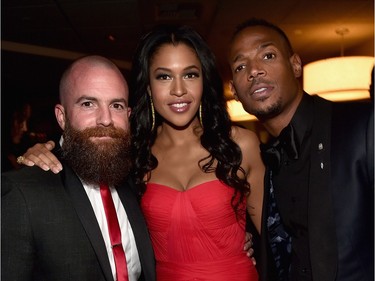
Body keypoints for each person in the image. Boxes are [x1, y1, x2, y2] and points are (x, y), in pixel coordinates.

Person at [16, 25, 264, 280]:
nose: (179, 89)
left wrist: (251, 242)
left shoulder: (240, 145)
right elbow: (87, 149)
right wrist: (45, 151)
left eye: (190, 75)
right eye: (164, 77)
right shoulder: (133, 154)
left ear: (204, 80)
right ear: (148, 88)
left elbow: (276, 234)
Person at [228, 18, 374, 281]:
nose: (254, 70)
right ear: (235, 92)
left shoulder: (361, 125)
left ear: (295, 65)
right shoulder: (263, 161)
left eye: (268, 55)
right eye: (241, 66)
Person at [2, 55, 156, 280]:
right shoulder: (23, 194)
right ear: (62, 117)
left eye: (116, 105)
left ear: (128, 115)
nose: (105, 119)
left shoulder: (137, 181)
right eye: (88, 104)